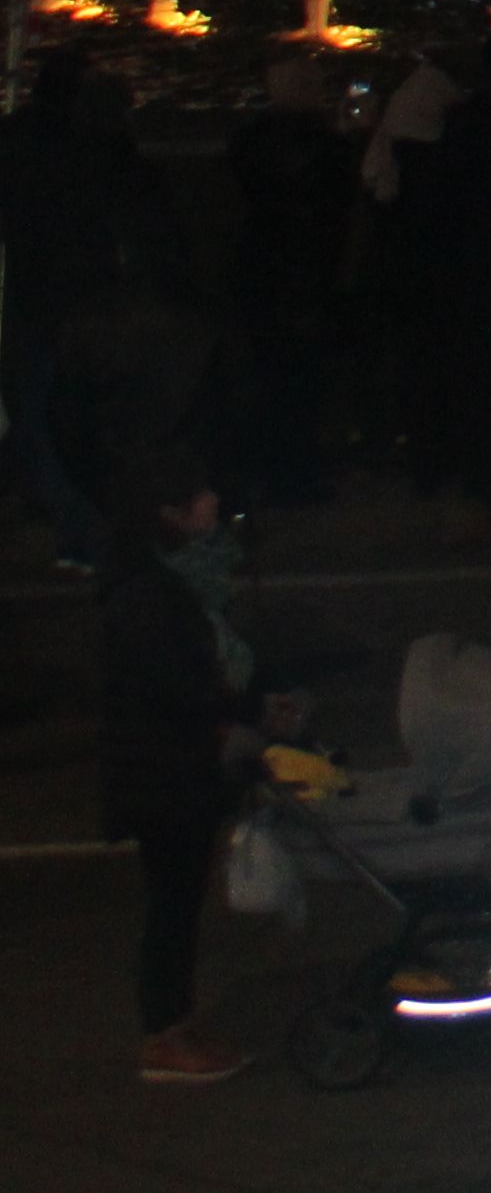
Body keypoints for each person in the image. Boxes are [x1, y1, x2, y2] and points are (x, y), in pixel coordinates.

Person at [95, 462, 264, 1087]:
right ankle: (163, 1035)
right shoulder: (150, 595)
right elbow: (177, 686)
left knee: (180, 905)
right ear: (169, 514)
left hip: (172, 770)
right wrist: (232, 718)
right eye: (199, 495)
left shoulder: (169, 582)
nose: (213, 500)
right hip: (162, 778)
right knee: (170, 907)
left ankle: (175, 1023)